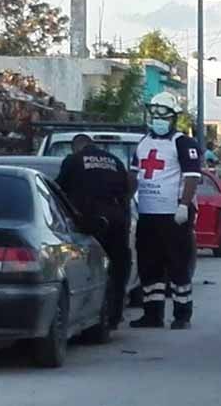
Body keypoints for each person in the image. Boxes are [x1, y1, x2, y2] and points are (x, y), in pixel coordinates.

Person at [129, 92, 201, 330]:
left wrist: (183, 205)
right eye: (155, 114)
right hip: (148, 215)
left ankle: (182, 315)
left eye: (163, 115)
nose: (158, 119)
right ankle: (152, 314)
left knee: (178, 266)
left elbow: (191, 178)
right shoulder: (143, 143)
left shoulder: (183, 143)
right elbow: (134, 176)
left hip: (174, 216)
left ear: (173, 118)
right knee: (149, 266)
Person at [56, 134, 132, 329]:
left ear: (76, 147)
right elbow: (128, 189)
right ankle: (114, 316)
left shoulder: (73, 161)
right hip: (117, 219)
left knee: (91, 267)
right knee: (118, 268)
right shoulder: (115, 161)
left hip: (90, 220)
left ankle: (90, 313)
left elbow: (58, 191)